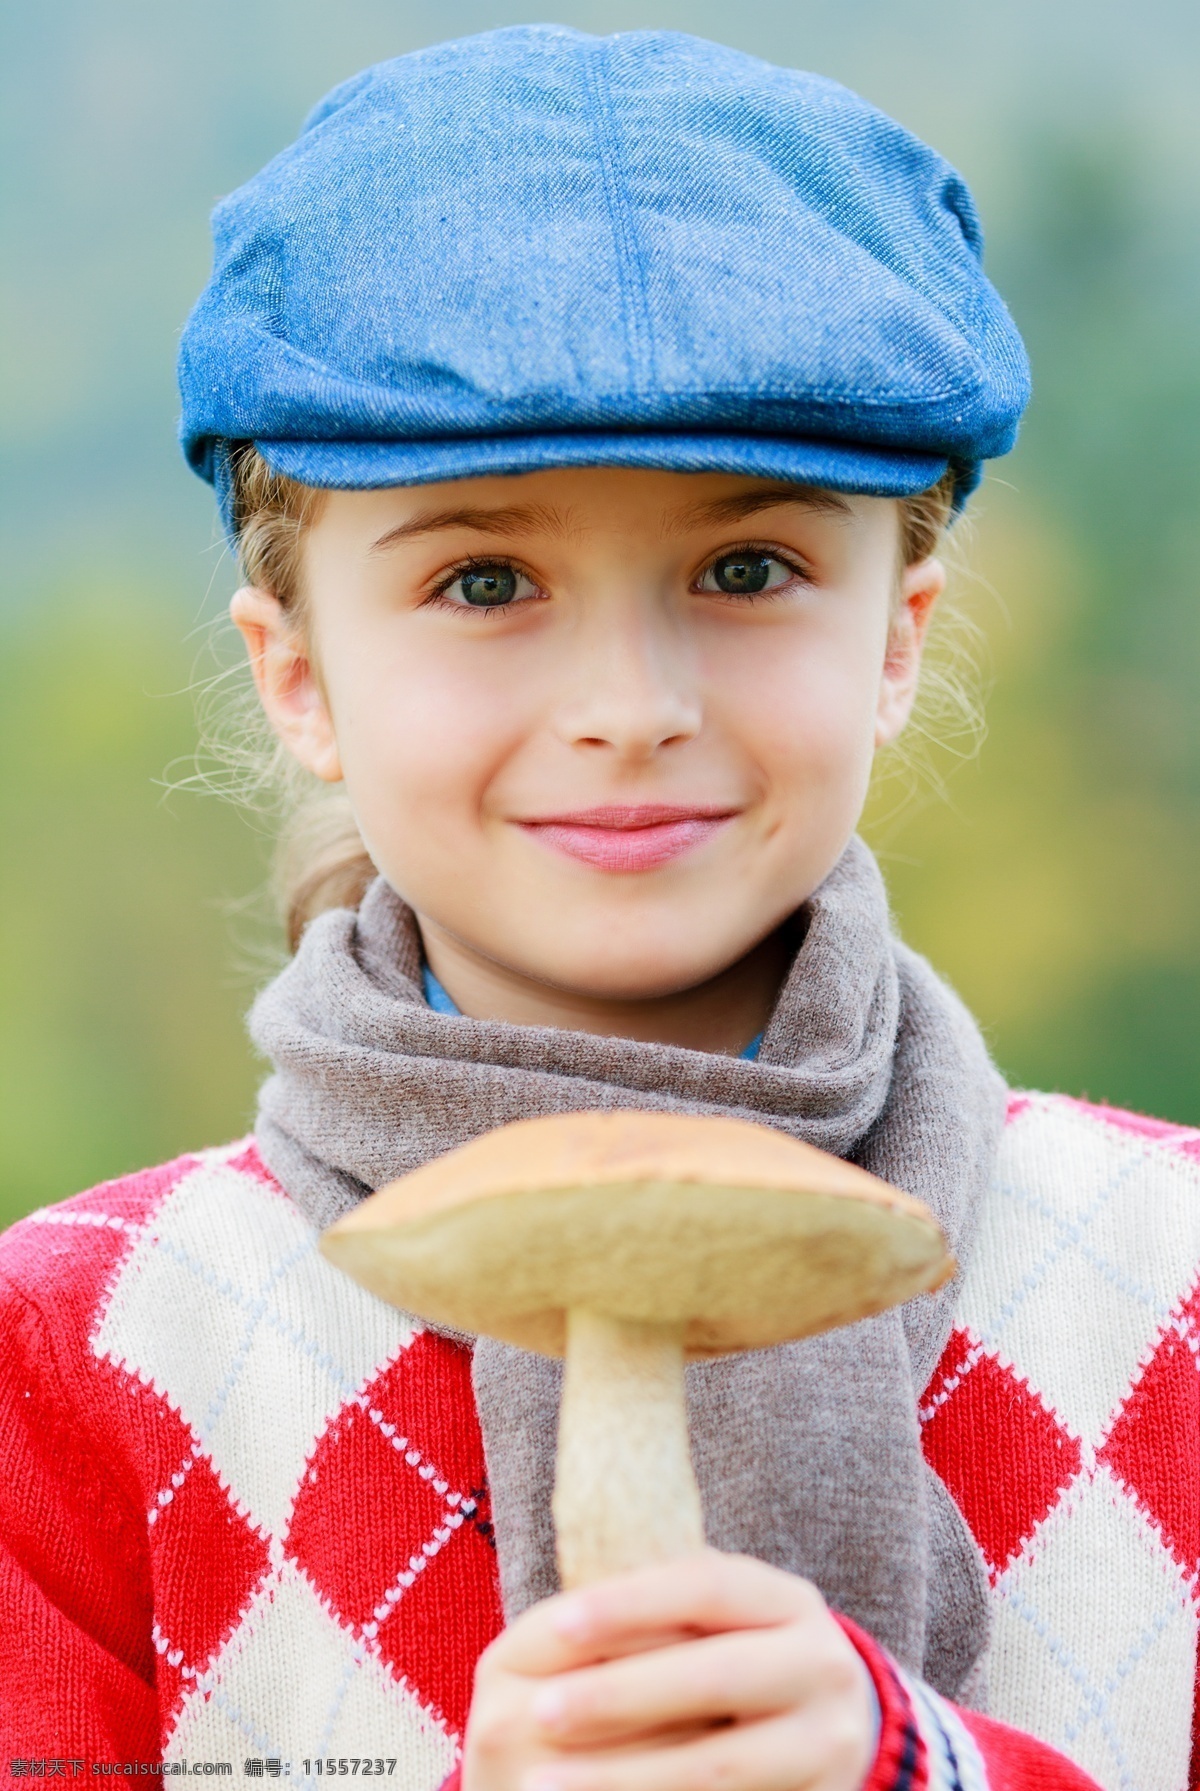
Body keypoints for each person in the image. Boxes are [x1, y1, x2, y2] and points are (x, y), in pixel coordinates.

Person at [1, 25, 1195, 1791]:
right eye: (486, 579)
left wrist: (923, 1766)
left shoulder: (1168, 1285)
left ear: (899, 636)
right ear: (299, 672)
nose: (629, 701)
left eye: (746, 569)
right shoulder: (79, 1361)